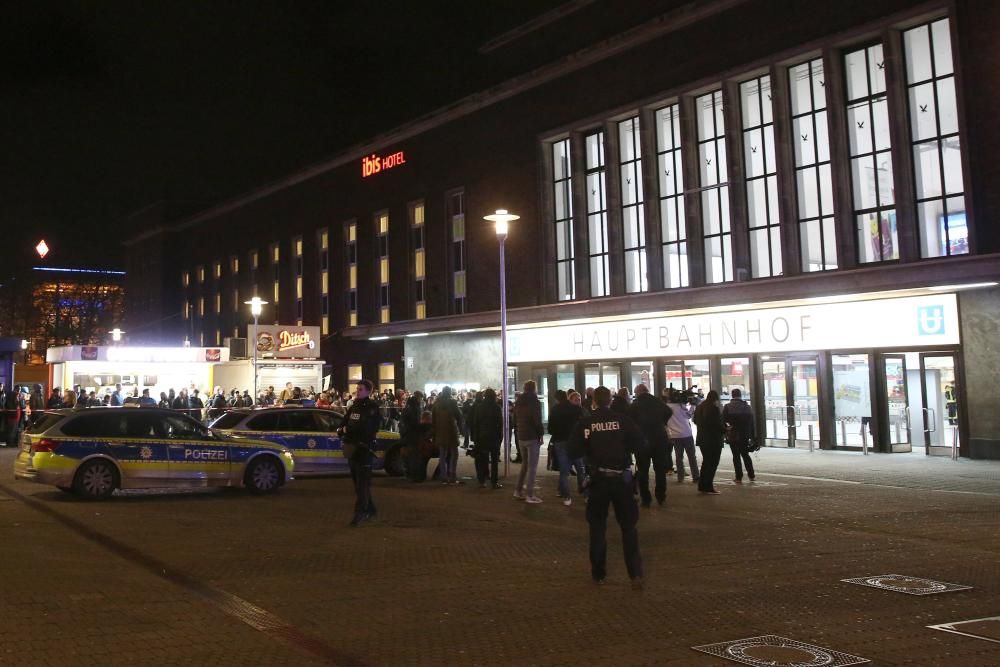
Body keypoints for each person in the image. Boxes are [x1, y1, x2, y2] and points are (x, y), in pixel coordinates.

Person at [569, 385, 646, 589]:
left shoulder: (587, 422)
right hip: (622, 479)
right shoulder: (623, 420)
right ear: (610, 400)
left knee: (597, 527)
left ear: (594, 401)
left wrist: (589, 450)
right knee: (629, 528)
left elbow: (572, 450)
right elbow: (641, 444)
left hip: (599, 479)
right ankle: (635, 573)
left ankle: (598, 573)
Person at [339, 379, 380, 526]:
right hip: (352, 449)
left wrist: (350, 431)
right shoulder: (354, 406)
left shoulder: (372, 407)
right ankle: (370, 509)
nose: (358, 391)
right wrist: (341, 430)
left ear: (369, 391)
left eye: (361, 389)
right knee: (358, 484)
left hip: (364, 449)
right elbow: (344, 423)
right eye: (357, 389)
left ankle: (360, 513)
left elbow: (369, 428)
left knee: (362, 484)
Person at [627, 383, 672, 508]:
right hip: (659, 440)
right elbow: (669, 411)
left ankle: (646, 498)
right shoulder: (657, 401)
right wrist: (662, 422)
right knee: (660, 470)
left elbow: (629, 421)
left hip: (642, 441)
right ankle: (661, 496)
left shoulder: (635, 405)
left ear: (638, 393)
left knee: (643, 471)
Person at [548, 389, 586, 506]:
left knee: (564, 472)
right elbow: (584, 425)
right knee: (580, 468)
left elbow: (550, 429)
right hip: (575, 442)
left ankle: (567, 497)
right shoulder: (577, 409)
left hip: (560, 442)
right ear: (567, 397)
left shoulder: (554, 409)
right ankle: (584, 493)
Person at [693, 390, 725, 495]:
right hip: (713, 440)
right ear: (716, 399)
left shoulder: (699, 407)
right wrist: (726, 430)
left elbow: (695, 421)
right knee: (712, 463)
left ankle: (702, 485)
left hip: (702, 439)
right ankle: (708, 486)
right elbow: (716, 425)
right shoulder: (713, 409)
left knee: (706, 462)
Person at [722, 388, 756, 483]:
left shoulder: (727, 407)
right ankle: (751, 475)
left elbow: (723, 421)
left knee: (736, 456)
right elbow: (752, 423)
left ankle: (738, 477)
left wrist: (726, 430)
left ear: (732, 396)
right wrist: (753, 436)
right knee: (745, 454)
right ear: (740, 395)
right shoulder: (747, 406)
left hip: (733, 434)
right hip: (744, 434)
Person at [471, 388, 503, 489]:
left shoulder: (479, 407)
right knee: (494, 460)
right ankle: (494, 482)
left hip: (482, 437)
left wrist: (476, 436)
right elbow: (500, 423)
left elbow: (476, 423)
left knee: (482, 459)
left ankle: (482, 481)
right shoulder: (497, 407)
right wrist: (499, 436)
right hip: (493, 437)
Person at [431, 386, 463, 484]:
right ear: (449, 393)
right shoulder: (452, 402)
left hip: (440, 431)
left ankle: (443, 476)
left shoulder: (436, 404)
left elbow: (433, 420)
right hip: (451, 430)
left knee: (442, 454)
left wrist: (434, 433)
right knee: (454, 453)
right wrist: (460, 428)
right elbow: (459, 416)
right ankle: (452, 475)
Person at [666, 390, 699, 484]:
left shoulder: (667, 407)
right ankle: (696, 476)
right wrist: (693, 406)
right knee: (692, 457)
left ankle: (680, 477)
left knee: (678, 457)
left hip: (675, 436)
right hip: (686, 434)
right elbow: (688, 415)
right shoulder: (681, 406)